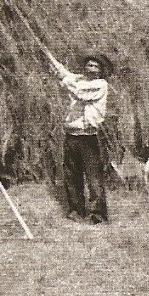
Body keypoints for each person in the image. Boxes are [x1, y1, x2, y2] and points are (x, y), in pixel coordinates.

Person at [54, 54, 111, 224]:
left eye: (95, 66)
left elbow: (80, 93)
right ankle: (76, 210)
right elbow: (68, 75)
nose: (91, 68)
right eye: (89, 65)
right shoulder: (81, 81)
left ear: (101, 71)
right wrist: (59, 68)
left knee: (93, 178)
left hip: (88, 137)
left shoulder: (100, 85)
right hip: (71, 135)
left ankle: (98, 215)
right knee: (72, 175)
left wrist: (65, 79)